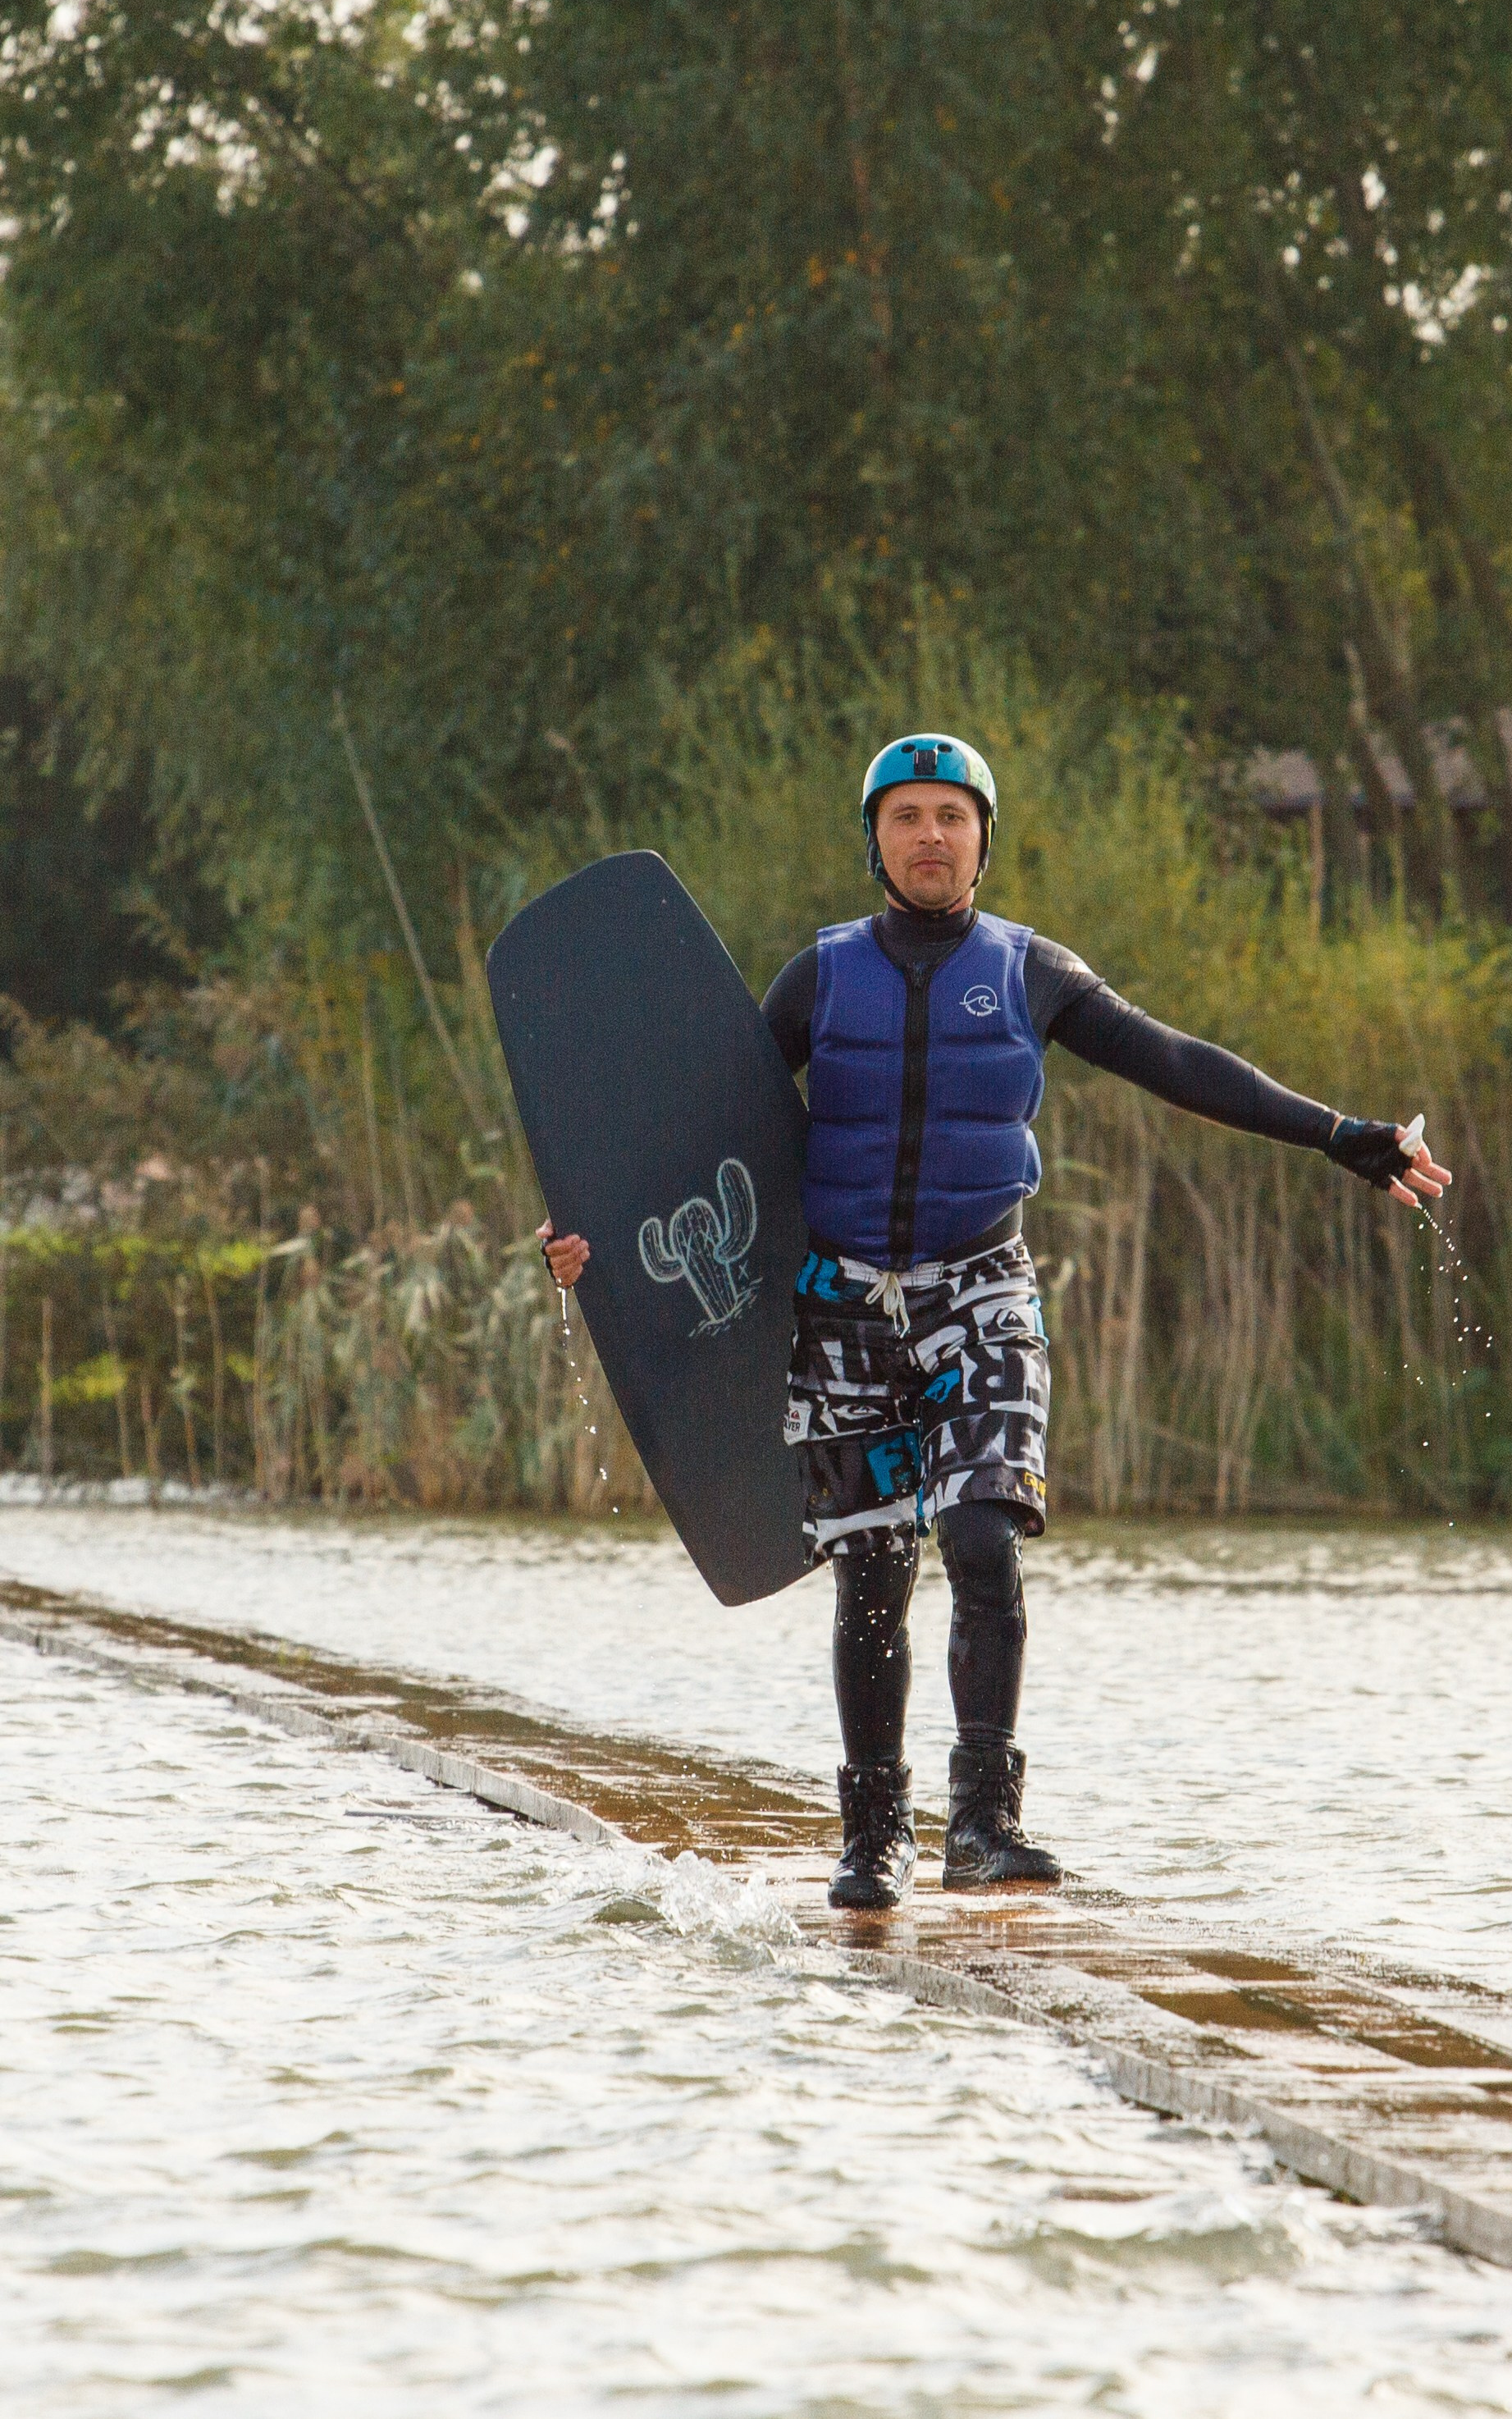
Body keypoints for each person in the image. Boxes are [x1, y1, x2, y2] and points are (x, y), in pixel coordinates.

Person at [541, 733, 1450, 1914]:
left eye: (952, 817)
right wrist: (589, 1240)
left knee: (981, 1534)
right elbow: (702, 1140)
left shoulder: (1034, 972)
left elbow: (1177, 1061)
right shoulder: (819, 978)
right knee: (873, 1572)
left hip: (981, 1295)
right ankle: (874, 1835)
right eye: (906, 815)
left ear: (983, 840)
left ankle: (982, 1824)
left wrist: (1338, 1135)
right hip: (842, 1307)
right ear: (874, 840)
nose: (931, 835)